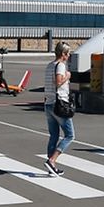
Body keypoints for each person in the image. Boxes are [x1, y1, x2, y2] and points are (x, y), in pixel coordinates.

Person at [43, 41, 75, 176]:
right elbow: (58, 81)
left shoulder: (49, 66)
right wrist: (67, 76)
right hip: (59, 103)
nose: (68, 56)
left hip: (48, 102)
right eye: (67, 54)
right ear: (63, 54)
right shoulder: (60, 66)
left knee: (54, 135)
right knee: (70, 135)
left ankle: (51, 166)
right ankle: (52, 160)